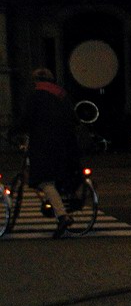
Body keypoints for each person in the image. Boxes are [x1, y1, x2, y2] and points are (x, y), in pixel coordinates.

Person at [16, 68, 82, 238]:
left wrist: (14, 131)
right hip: (66, 145)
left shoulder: (36, 97)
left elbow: (26, 120)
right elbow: (74, 119)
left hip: (45, 146)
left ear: (36, 81)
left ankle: (62, 215)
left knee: (44, 180)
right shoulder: (61, 94)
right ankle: (65, 200)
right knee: (58, 175)